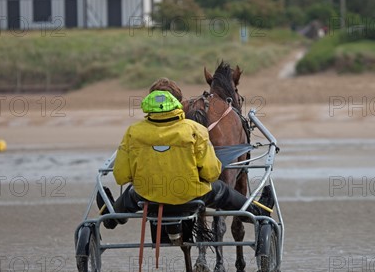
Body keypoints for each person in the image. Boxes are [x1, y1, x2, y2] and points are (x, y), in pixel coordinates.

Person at [97, 78, 273, 229]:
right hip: (191, 197)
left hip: (147, 198)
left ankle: (111, 218)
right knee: (223, 191)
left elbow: (121, 176)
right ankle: (257, 212)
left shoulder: (132, 132)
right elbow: (211, 173)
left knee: (129, 195)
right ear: (179, 104)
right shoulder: (194, 130)